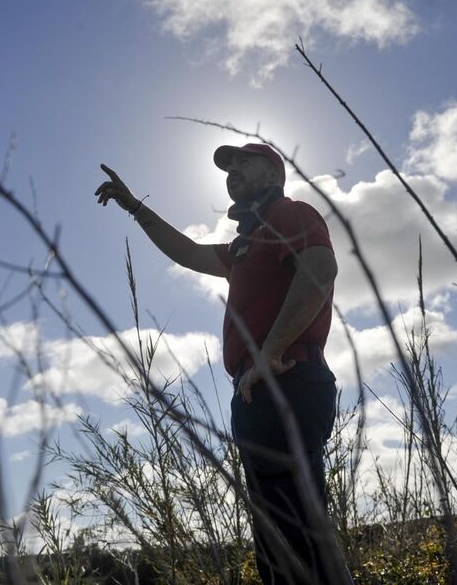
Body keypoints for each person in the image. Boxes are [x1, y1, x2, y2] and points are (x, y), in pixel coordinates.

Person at [95, 143, 346, 584]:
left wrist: (269, 353)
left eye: (242, 161)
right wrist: (135, 207)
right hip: (257, 392)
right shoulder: (245, 244)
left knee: (303, 540)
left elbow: (319, 272)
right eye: (227, 166)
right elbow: (189, 252)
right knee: (277, 547)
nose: (231, 170)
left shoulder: (291, 215)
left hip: (286, 380)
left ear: (273, 175)